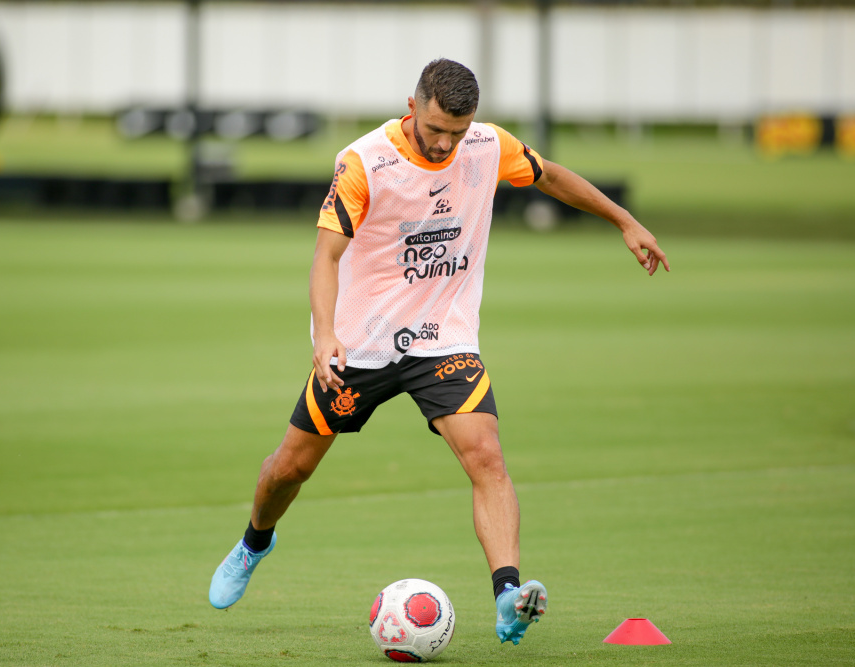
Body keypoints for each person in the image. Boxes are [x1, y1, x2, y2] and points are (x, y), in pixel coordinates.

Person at [209, 58, 669, 645]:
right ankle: (253, 543)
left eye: (458, 131)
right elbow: (325, 258)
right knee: (290, 468)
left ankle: (508, 594)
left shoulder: (486, 145)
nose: (446, 144)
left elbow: (550, 176)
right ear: (412, 107)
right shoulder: (363, 163)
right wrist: (325, 336)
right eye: (435, 130)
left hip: (442, 340)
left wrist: (623, 220)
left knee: (487, 457)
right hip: (360, 345)